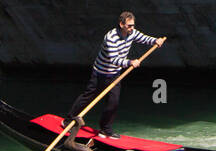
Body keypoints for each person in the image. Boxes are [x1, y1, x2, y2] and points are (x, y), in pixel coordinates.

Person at [68, 11, 166, 139]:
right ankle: (69, 120)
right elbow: (114, 59)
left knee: (113, 102)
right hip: (100, 73)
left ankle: (105, 129)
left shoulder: (132, 33)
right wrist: (130, 62)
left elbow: (143, 38)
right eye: (129, 25)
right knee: (88, 97)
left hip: (115, 74)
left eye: (133, 25)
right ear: (121, 24)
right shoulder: (111, 37)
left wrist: (155, 40)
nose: (132, 28)